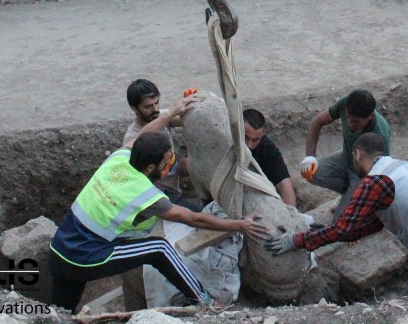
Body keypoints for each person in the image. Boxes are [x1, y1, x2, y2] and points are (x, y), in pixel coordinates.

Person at [49, 101, 270, 313]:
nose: (170, 167)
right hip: (85, 256)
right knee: (159, 249)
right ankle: (203, 302)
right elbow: (193, 219)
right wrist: (238, 225)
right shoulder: (143, 193)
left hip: (59, 250)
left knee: (61, 311)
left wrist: (171, 112)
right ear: (151, 167)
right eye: (166, 164)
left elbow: (140, 136)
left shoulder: (119, 159)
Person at [265, 133, 408, 304]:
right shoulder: (401, 167)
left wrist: (296, 240)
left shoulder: (375, 181)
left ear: (357, 154)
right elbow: (368, 224)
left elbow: (344, 229)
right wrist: (324, 232)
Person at [301, 89, 392, 216]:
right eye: (348, 118)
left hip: (363, 174)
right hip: (346, 157)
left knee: (340, 220)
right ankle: (348, 193)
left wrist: (362, 193)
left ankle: (358, 201)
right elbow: (317, 122)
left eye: (356, 121)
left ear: (370, 117)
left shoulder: (380, 133)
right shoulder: (346, 104)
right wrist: (310, 156)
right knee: (310, 172)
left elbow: (380, 172)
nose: (349, 124)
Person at [123, 79, 204, 212]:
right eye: (148, 107)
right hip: (158, 194)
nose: (155, 109)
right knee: (201, 215)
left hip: (173, 177)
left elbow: (185, 121)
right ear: (134, 108)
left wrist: (192, 108)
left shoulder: (160, 116)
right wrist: (171, 114)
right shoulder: (132, 137)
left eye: (157, 103)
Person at [243, 108, 296, 207]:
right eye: (246, 138)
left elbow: (284, 183)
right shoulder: (227, 143)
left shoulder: (266, 148)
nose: (249, 145)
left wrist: (292, 215)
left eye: (255, 140)